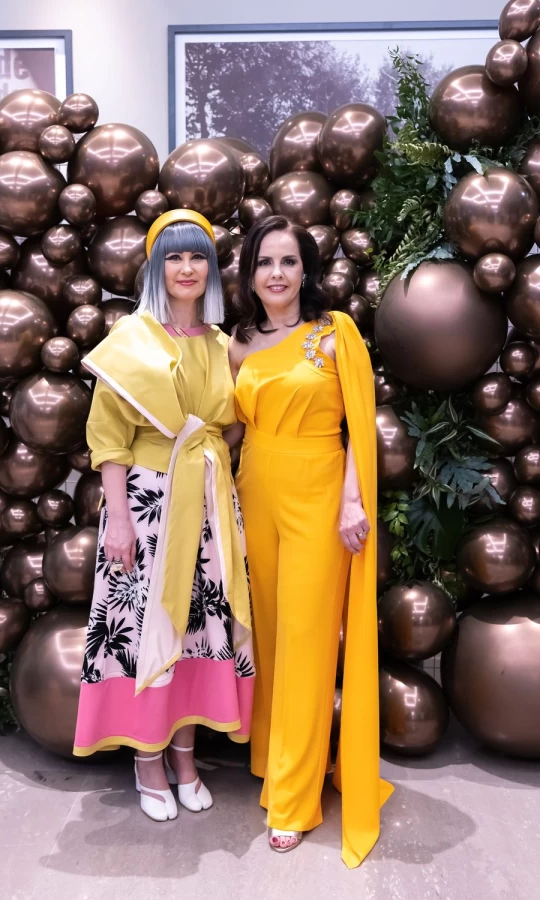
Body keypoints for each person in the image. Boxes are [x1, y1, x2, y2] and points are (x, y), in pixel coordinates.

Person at [73, 209, 254, 824]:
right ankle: (146, 760)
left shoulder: (225, 345)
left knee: (199, 628)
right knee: (149, 627)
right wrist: (119, 518)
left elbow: (234, 425)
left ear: (211, 269)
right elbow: (107, 438)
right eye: (173, 256)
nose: (186, 267)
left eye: (198, 255)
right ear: (156, 268)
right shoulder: (133, 339)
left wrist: (211, 466)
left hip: (208, 508)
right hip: (147, 506)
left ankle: (184, 756)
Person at [227, 215, 393, 864]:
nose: (276, 273)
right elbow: (231, 428)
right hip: (254, 491)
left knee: (307, 642)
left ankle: (294, 800)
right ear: (250, 274)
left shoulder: (335, 331)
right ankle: (276, 762)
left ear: (306, 271)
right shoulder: (240, 341)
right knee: (269, 637)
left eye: (289, 261)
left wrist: (353, 498)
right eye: (265, 262)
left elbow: (359, 424)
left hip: (319, 495)